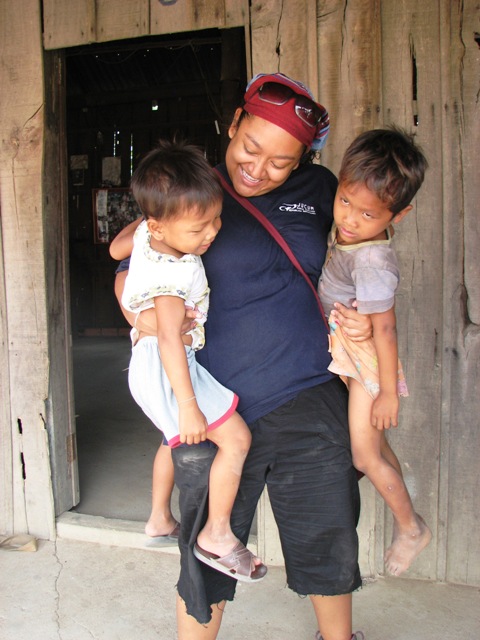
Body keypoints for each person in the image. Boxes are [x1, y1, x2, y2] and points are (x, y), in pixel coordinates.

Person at [115, 73, 370, 640]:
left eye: (280, 162)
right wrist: (140, 319)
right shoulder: (192, 191)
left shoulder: (320, 189)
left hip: (309, 392)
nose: (258, 169)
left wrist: (366, 313)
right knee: (206, 552)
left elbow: (360, 251)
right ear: (233, 125)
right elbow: (132, 268)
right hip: (217, 401)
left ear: (302, 160)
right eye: (250, 149)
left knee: (327, 532)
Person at [110, 140, 266, 582]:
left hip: (149, 365)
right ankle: (217, 535)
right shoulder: (173, 276)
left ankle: (159, 518)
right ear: (160, 226)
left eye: (215, 219)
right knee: (236, 440)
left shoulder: (147, 236)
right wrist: (188, 404)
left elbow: (116, 249)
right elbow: (169, 339)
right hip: (168, 365)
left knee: (170, 439)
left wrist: (152, 217)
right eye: (198, 228)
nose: (211, 233)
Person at [317, 128, 432, 576]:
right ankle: (408, 518)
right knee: (377, 447)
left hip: (366, 361)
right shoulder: (353, 235)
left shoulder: (372, 260)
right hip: (351, 350)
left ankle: (410, 527)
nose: (349, 219)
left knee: (363, 455)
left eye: (367, 213)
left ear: (398, 215)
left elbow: (384, 328)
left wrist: (386, 392)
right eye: (345, 201)